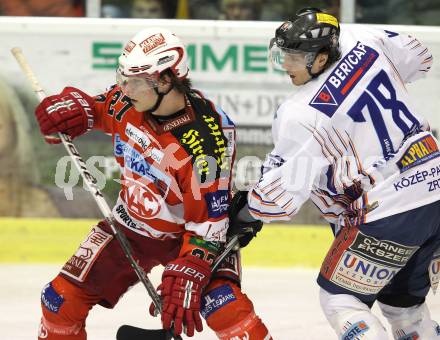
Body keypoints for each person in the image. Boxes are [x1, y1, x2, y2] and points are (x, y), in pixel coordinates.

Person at [35, 27, 272, 339]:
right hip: (131, 225)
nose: (123, 88)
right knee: (58, 302)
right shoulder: (129, 101)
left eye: (133, 81)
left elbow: (209, 221)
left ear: (164, 79)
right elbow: (97, 110)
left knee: (225, 308)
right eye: (121, 77)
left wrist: (192, 266)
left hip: (192, 236)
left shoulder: (203, 143)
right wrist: (74, 112)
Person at [230, 7, 440, 339]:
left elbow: (281, 199)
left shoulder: (300, 113)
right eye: (284, 54)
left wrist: (245, 212)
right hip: (435, 189)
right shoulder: (365, 39)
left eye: (297, 57)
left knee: (341, 299)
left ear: (323, 55)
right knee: (404, 307)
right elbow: (420, 57)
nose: (286, 64)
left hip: (387, 211)